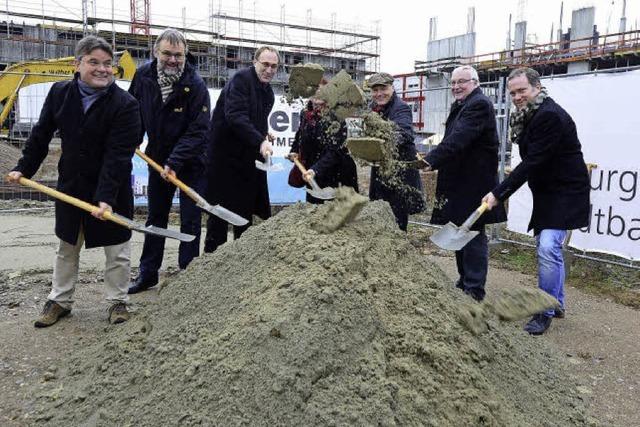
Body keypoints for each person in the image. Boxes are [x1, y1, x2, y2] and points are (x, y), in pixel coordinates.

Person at [7, 35, 140, 326]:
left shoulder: (125, 104)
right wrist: (23, 169)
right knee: (67, 245)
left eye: (108, 64)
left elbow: (118, 156)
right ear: (77, 64)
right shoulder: (59, 93)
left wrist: (106, 198)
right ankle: (60, 300)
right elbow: (41, 136)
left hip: (111, 187)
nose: (103, 69)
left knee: (117, 249)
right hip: (72, 185)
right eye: (94, 62)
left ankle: (118, 302)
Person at [482, 67, 590, 335]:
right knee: (548, 247)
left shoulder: (549, 116)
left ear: (537, 88)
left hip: (566, 191)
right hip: (548, 192)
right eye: (513, 92)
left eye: (522, 91)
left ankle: (544, 310)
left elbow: (532, 162)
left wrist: (498, 193)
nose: (517, 97)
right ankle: (558, 302)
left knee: (547, 247)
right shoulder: (529, 115)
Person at [127, 28, 211, 294]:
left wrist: (175, 161)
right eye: (167, 54)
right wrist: (133, 136)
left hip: (191, 160)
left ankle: (188, 273)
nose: (173, 60)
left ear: (185, 54)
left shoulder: (195, 84)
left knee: (190, 218)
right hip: (157, 156)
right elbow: (133, 109)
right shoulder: (143, 76)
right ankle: (148, 273)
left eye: (178, 55)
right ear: (156, 52)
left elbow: (199, 130)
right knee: (156, 217)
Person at [420, 65, 507, 302]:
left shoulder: (478, 104)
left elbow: (459, 139)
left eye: (462, 82)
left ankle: (474, 288)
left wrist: (430, 160)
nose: (456, 87)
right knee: (460, 229)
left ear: (475, 83)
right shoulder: (463, 104)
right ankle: (463, 280)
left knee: (473, 233)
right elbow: (453, 138)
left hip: (474, 183)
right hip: (460, 181)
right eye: (454, 83)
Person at [204, 46, 279, 253]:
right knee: (220, 214)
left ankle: (241, 260)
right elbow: (235, 116)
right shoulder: (240, 80)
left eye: (274, 66)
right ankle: (211, 262)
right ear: (255, 62)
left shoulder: (268, 93)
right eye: (265, 64)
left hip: (247, 161)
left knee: (245, 213)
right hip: (224, 160)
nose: (269, 70)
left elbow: (256, 120)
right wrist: (260, 141)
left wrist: (264, 134)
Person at [367, 72, 424, 231]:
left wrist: (381, 144)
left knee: (397, 221)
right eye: (375, 90)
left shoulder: (401, 108)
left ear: (392, 87)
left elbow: (404, 134)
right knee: (379, 217)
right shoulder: (374, 109)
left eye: (383, 88)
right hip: (380, 170)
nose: (379, 94)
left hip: (399, 174)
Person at [288, 87, 358, 203]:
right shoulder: (306, 113)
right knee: (314, 211)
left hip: (337, 173)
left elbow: (335, 151)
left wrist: (315, 170)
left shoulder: (336, 116)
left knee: (338, 215)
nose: (318, 93)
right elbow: (300, 135)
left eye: (322, 89)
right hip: (313, 171)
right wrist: (294, 150)